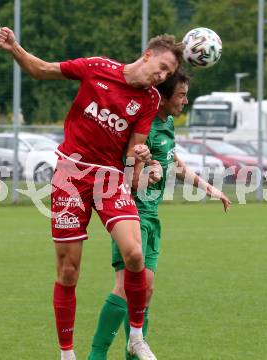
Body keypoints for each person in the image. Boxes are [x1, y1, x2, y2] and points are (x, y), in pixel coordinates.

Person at [0, 26, 183, 360]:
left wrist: (139, 160)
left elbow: (131, 155)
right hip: (70, 173)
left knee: (135, 255)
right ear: (148, 55)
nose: (163, 76)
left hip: (110, 178)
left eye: (169, 73)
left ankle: (136, 337)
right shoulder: (98, 68)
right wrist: (15, 48)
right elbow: (42, 70)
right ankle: (67, 354)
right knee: (68, 272)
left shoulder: (151, 100)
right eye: (163, 68)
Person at [87, 69, 231, 360]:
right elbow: (126, 178)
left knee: (145, 291)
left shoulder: (166, 125)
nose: (186, 101)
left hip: (151, 216)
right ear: (162, 98)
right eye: (181, 95)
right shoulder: (144, 127)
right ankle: (96, 354)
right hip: (130, 212)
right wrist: (143, 174)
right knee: (128, 287)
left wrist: (208, 189)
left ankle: (131, 352)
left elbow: (174, 164)